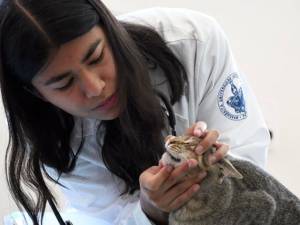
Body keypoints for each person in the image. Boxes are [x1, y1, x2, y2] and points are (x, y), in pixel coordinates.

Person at [0, 0, 270, 224]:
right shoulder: (54, 141)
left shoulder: (192, 41)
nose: (95, 88)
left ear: (110, 30)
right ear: (36, 93)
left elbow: (249, 159)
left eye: (96, 57)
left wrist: (211, 165)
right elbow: (110, 217)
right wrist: (151, 208)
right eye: (64, 83)